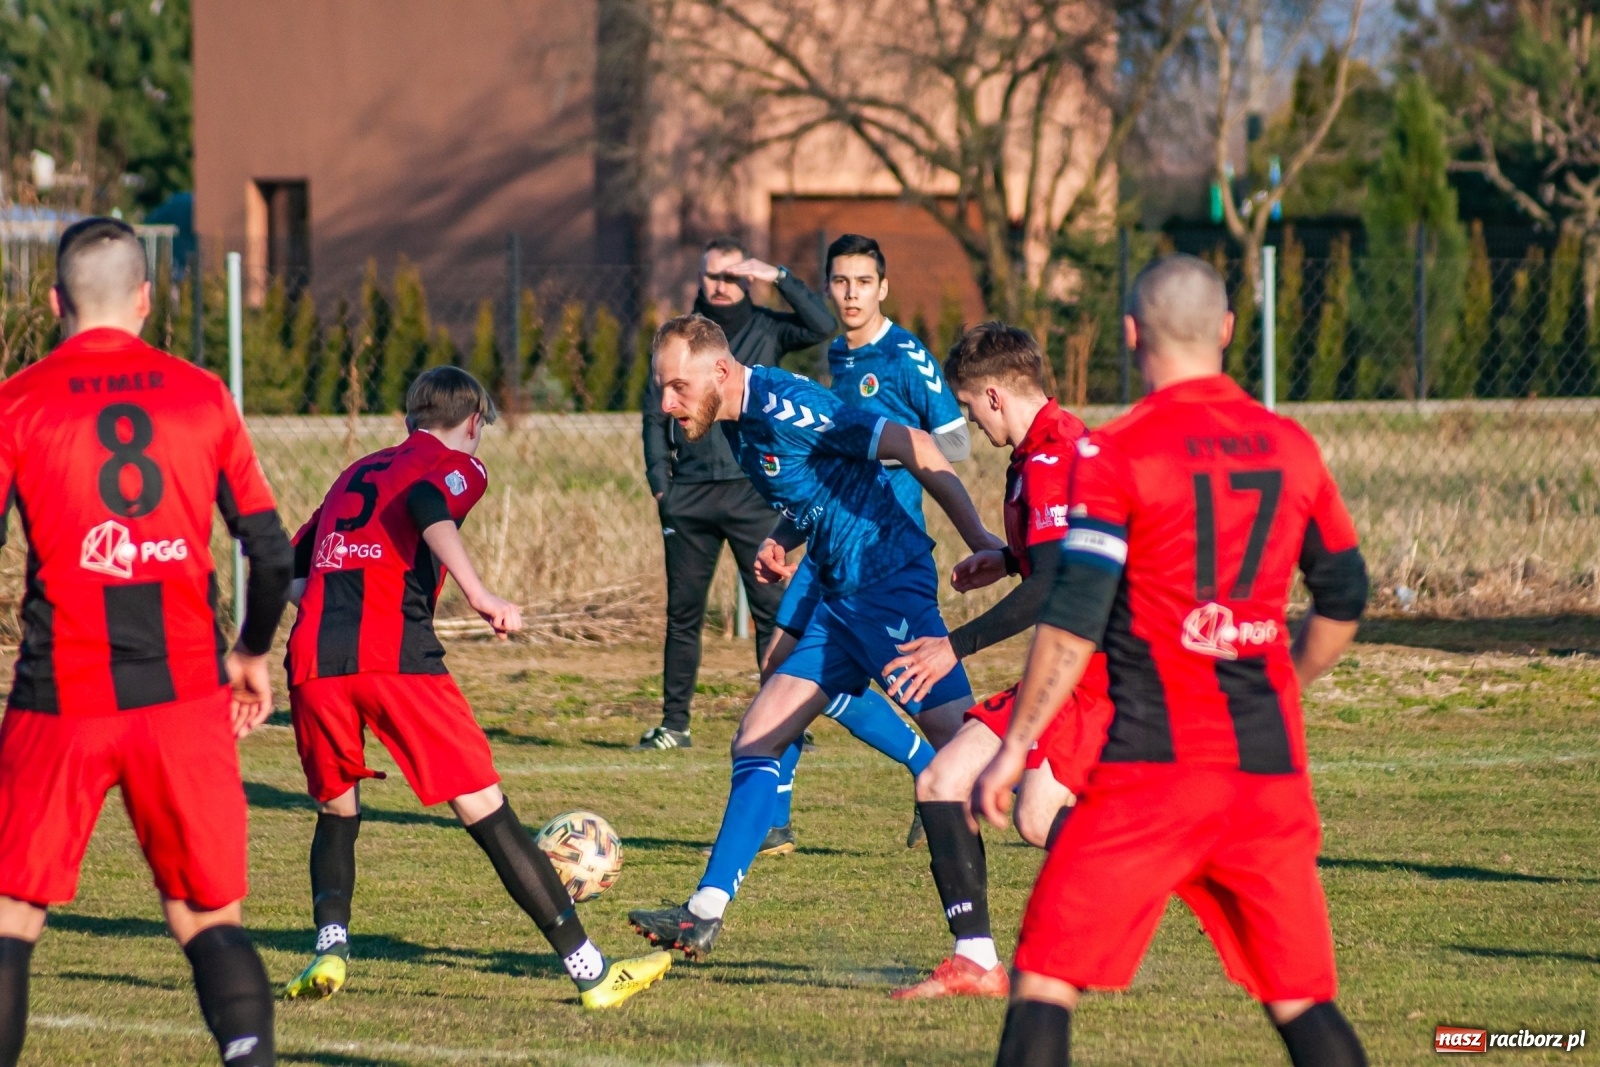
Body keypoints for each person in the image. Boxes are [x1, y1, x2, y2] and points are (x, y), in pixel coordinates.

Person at [972, 255, 1371, 1067]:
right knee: (1300, 1002)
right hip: (1266, 770)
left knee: (1044, 979)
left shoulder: (1114, 452)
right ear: (1227, 330)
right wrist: (1282, 678)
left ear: (1130, 335)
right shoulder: (1292, 446)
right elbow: (1344, 595)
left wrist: (1014, 747)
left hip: (1153, 769)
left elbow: (1076, 615)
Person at [281, 366, 670, 1010]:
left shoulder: (353, 474)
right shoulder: (457, 463)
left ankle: (329, 947)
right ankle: (593, 972)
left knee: (337, 811)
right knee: (487, 811)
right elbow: (428, 507)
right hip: (394, 656)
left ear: (409, 419)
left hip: (314, 659)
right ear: (472, 423)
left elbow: (290, 572)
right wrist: (481, 594)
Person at [0, 218, 295, 1067]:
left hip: (60, 695)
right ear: (145, 299)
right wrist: (250, 650)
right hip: (183, 694)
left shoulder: (20, 399)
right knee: (207, 920)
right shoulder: (201, 393)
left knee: (13, 919)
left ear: (56, 302)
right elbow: (272, 555)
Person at [627, 314, 1002, 961]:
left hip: (887, 588)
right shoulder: (739, 422)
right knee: (757, 734)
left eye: (677, 388)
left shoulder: (790, 406)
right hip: (838, 596)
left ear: (720, 370)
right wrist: (785, 536)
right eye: (663, 389)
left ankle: (1086, 819)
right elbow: (820, 487)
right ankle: (702, 913)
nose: (667, 404)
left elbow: (917, 447)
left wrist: (983, 543)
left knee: (971, 745)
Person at [869, 322, 1114, 1001]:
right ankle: (977, 959)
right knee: (949, 781)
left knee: (1015, 808)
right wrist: (1006, 558)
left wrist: (955, 643)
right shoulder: (1050, 446)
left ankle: (1135, 878)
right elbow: (1067, 552)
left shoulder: (1051, 457)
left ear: (997, 395)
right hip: (1072, 666)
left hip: (1090, 673)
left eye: (971, 406)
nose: (971, 420)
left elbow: (1056, 586)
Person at [760, 233, 971, 855]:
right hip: (830, 537)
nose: (850, 294)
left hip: (883, 548)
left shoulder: (905, 355)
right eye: (841, 282)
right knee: (779, 669)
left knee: (913, 686)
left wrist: (894, 448)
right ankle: (775, 818)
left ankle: (948, 771)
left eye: (863, 283)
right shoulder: (838, 355)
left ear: (883, 288)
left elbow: (955, 441)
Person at [639, 236, 837, 751]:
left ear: (748, 280)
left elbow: (824, 326)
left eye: (732, 275)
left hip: (755, 500)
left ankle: (787, 719)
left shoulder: (767, 328)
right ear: (699, 279)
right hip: (690, 498)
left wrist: (781, 278)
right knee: (684, 615)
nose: (721, 285)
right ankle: (675, 725)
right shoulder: (679, 341)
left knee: (774, 610)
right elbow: (653, 413)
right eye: (712, 275)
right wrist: (662, 484)